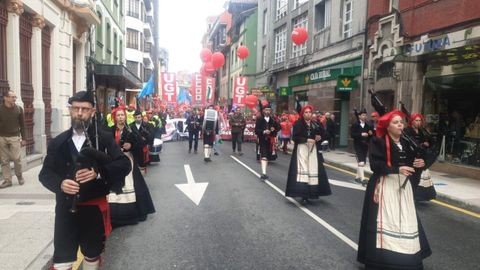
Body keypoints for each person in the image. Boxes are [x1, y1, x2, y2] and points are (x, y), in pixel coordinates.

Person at [39, 91, 131, 270]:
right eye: (75, 108)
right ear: (70, 110)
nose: (79, 113)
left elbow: (124, 164)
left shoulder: (103, 138)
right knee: (62, 259)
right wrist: (60, 184)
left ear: (93, 112)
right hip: (65, 209)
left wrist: (98, 172)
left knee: (91, 253)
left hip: (93, 208)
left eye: (84, 109)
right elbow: (45, 174)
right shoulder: (58, 142)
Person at [357, 110, 431, 270]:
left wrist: (420, 164)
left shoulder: (407, 142)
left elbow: (415, 162)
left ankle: (407, 256)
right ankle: (383, 259)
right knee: (386, 221)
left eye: (401, 122)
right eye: (395, 122)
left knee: (405, 220)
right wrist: (397, 170)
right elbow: (375, 166)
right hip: (385, 186)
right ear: (387, 127)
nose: (400, 124)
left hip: (404, 188)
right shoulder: (378, 141)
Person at [108, 107, 155, 227]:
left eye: (122, 115)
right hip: (114, 161)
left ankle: (134, 213)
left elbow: (140, 144)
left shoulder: (130, 130)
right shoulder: (110, 131)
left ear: (125, 117)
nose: (120, 118)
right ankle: (115, 216)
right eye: (118, 115)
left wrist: (131, 145)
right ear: (114, 118)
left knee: (134, 185)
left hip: (128, 161)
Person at [285, 105, 332, 203]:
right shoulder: (298, 124)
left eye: (309, 112)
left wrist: (320, 137)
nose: (308, 114)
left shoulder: (316, 124)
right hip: (301, 150)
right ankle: (303, 195)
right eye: (306, 112)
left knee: (312, 171)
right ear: (303, 114)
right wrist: (306, 139)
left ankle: (311, 193)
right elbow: (295, 138)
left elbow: (325, 134)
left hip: (313, 150)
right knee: (303, 171)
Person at [404, 113, 437, 201]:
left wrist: (426, 144)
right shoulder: (407, 131)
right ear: (412, 121)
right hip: (411, 160)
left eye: (419, 120)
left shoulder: (422, 131)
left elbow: (429, 143)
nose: (418, 122)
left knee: (416, 181)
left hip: (420, 159)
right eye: (416, 120)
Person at [0, 90, 26, 188]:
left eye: (15, 97)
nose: (14, 99)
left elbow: (23, 125)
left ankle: (19, 176)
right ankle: (7, 181)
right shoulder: (0, 109)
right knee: (4, 160)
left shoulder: (19, 109)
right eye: (12, 97)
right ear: (5, 98)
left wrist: (24, 138)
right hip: (2, 137)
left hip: (15, 137)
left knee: (16, 158)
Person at [255, 102, 280, 180]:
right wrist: (264, 131)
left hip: (270, 141)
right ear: (263, 111)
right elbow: (256, 130)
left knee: (268, 156)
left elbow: (278, 128)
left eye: (269, 110)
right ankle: (264, 173)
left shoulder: (273, 120)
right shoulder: (260, 119)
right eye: (266, 110)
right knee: (264, 156)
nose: (268, 111)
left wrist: (273, 130)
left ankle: (264, 172)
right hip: (262, 140)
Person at [351, 108, 373, 184]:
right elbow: (352, 135)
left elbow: (370, 135)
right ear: (359, 116)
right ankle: (363, 179)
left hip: (365, 145)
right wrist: (361, 134)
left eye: (365, 115)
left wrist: (370, 134)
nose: (364, 116)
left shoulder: (367, 125)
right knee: (361, 161)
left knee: (362, 162)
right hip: (357, 145)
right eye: (363, 115)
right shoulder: (355, 124)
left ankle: (357, 177)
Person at [130, 110, 152, 174]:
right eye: (136, 117)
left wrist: (147, 141)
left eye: (139, 117)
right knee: (135, 164)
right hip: (134, 148)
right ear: (134, 118)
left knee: (142, 163)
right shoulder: (131, 126)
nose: (137, 119)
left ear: (141, 117)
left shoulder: (146, 125)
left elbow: (150, 135)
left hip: (143, 147)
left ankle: (142, 173)